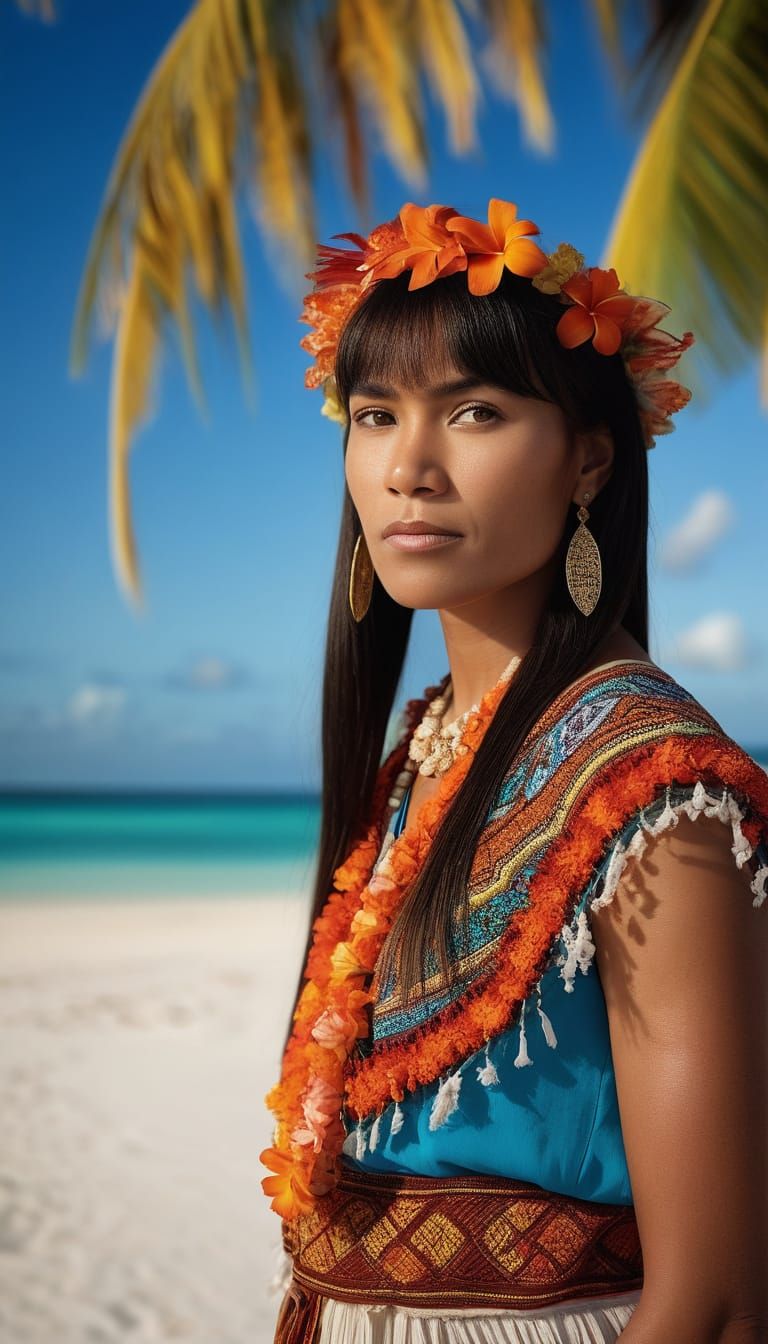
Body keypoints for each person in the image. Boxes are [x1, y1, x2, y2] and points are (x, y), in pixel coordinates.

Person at [260, 198, 768, 1343]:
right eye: (376, 414)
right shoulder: (426, 745)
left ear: (590, 457)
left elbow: (720, 1304)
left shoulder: (657, 794)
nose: (408, 469)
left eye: (475, 412)